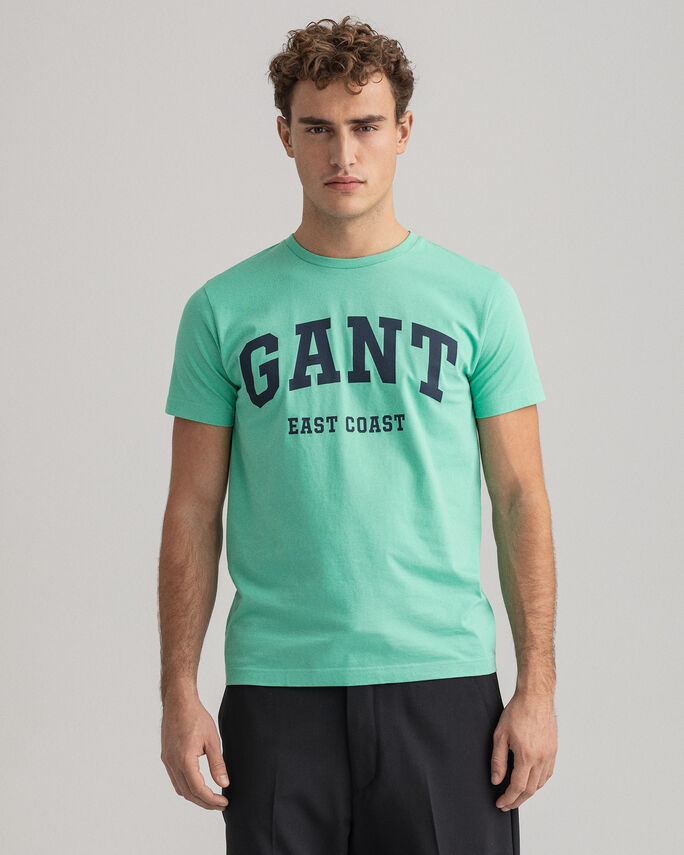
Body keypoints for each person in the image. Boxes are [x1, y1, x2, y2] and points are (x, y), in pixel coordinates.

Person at [158, 14, 557, 855]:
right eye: (318, 129)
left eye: (366, 126)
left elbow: (521, 497)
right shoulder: (221, 310)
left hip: (444, 684)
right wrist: (178, 692)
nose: (344, 153)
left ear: (404, 131)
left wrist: (538, 687)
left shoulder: (479, 301)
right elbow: (191, 510)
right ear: (285, 136)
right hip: (277, 691)